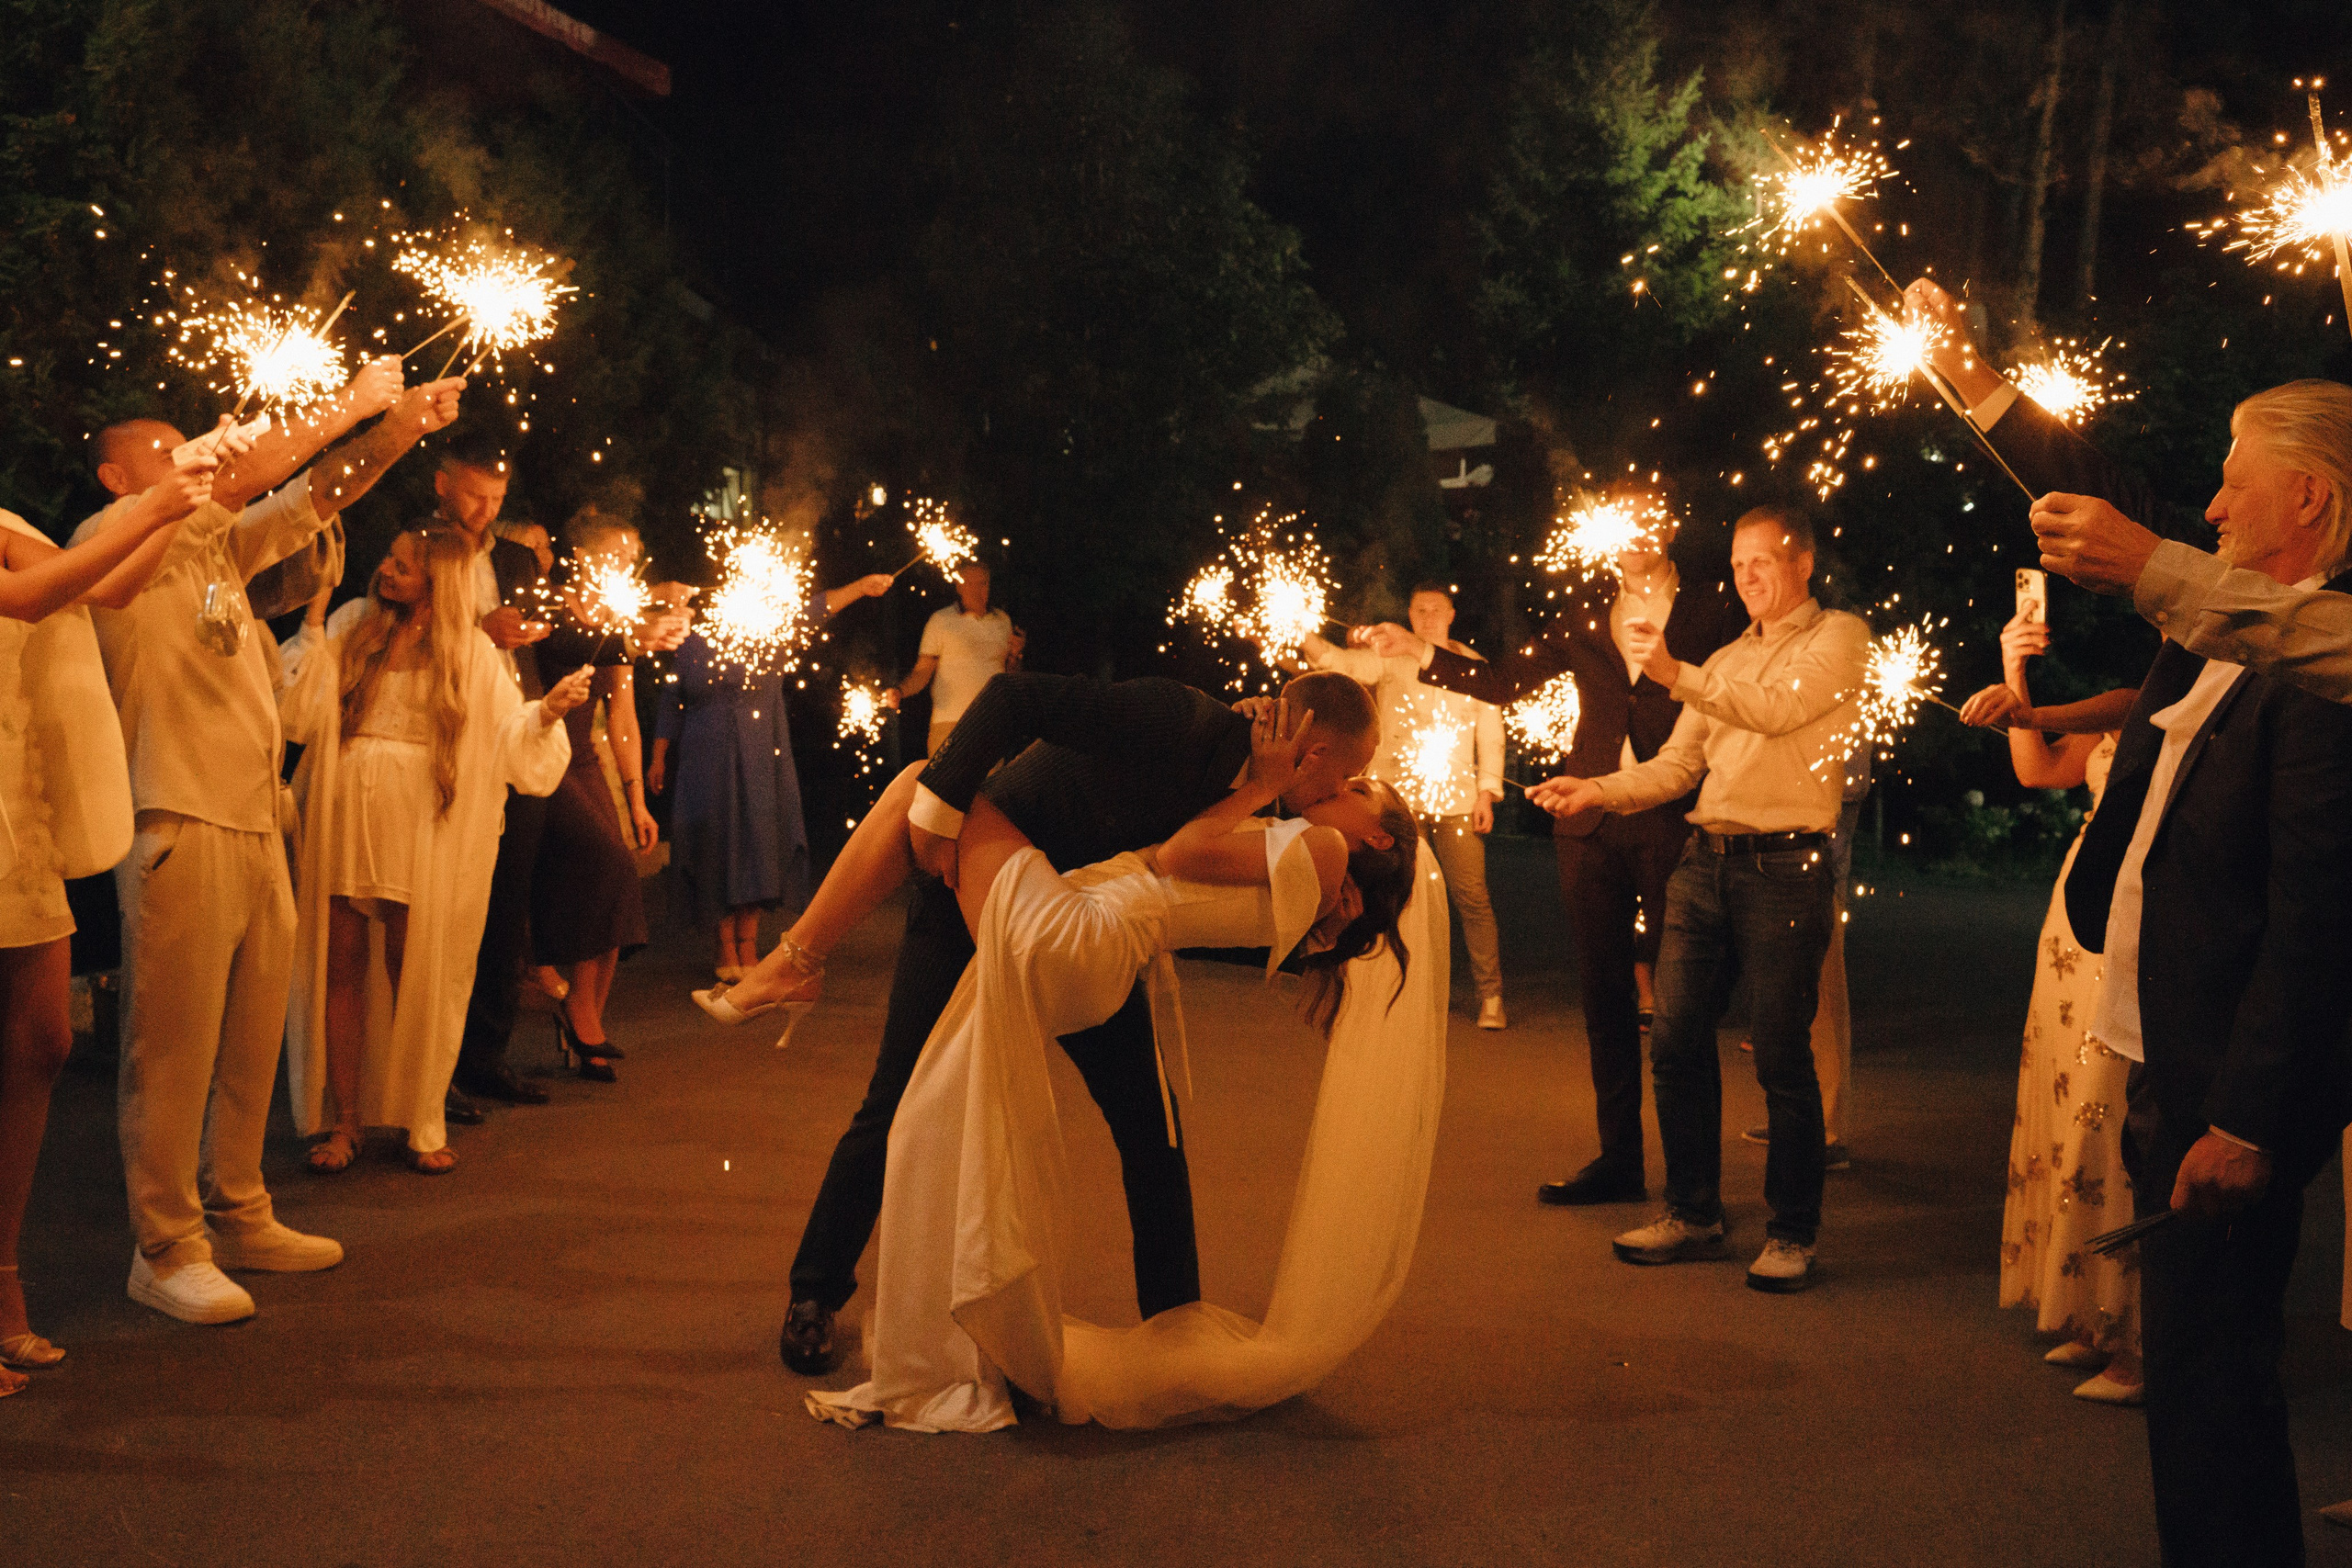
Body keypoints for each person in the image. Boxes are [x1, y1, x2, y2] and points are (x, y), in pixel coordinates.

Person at [707, 702, 1434, 1431]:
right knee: (895, 1103)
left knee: (1153, 1129)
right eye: (1350, 772)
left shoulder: (1285, 813)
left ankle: (1176, 1338)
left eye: (1360, 786)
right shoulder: (1195, 728)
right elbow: (1020, 697)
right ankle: (816, 1295)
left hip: (1078, 926)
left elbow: (1201, 871)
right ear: (1308, 743)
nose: (1349, 782)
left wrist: (1309, 889)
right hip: (1011, 897)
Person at [77, 360, 465, 1325]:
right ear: (118, 480)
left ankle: (239, 1208)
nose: (196, 460)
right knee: (171, 1052)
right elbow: (260, 477)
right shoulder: (109, 539)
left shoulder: (214, 552)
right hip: (178, 818)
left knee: (249, 1045)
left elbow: (309, 495)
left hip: (256, 820)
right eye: (167, 454)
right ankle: (164, 1247)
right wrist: (354, 403)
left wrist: (399, 431)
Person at [1530, 506, 1866, 1293]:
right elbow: (1679, 766)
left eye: (1765, 561)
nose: (1748, 576)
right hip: (1705, 860)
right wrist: (1599, 790)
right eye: (1740, 563)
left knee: (1782, 1051)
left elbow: (1779, 710)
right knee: (1675, 1038)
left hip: (1787, 865)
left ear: (1805, 561)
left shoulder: (1837, 639)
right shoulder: (1722, 656)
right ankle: (1693, 1211)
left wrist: (1675, 672)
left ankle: (1791, 1229)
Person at [1366, 515, 1740, 1204]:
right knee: (1603, 995)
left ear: (1669, 524)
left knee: (1683, 1006)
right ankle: (1619, 1160)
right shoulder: (1585, 613)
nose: (1634, 532)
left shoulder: (1715, 604)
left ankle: (1693, 1183)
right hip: (1588, 822)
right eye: (1621, 518)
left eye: (1647, 516)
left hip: (1674, 815)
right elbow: (1506, 681)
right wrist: (1420, 655)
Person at [0, 454, 228, 1396]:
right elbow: (23, 600)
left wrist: (184, 503)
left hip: (21, 810)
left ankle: (1, 1276)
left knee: (42, 1044)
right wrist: (160, 500)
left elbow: (107, 585)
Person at [277, 528, 590, 1175]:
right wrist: (313, 613)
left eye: (402, 564)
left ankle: (422, 1114)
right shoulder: (357, 626)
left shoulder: (470, 652)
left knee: (412, 967)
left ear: (435, 580)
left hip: (416, 818)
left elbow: (507, 729)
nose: (386, 570)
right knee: (341, 962)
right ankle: (345, 1120)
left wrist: (547, 715)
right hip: (346, 805)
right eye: (388, 558)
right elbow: (300, 711)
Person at [436, 447, 686, 1109]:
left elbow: (559, 642)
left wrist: (636, 634)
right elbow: (400, 628)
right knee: (456, 913)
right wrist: (477, 631)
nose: (486, 512)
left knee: (504, 909)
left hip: (524, 750)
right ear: (442, 486)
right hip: (450, 746)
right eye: (474, 496)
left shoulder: (514, 562)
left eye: (496, 498)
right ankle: (437, 1069)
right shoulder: (420, 549)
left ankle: (484, 1057)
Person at [1961, 615, 2145, 1404]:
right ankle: (2090, 1309)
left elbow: (2122, 703)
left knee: (2113, 1107)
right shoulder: (2117, 717)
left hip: (2137, 911)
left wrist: (2030, 707)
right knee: (2069, 1107)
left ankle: (2140, 1332)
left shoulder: (2161, 697)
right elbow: (2039, 771)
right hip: (2078, 921)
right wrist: (2017, 675)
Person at [650, 571, 895, 984]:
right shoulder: (692, 638)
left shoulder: (770, 632)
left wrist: (861, 587)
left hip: (762, 755)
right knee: (716, 845)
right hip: (706, 759)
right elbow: (673, 697)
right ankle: (724, 945)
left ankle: (748, 942)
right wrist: (658, 755)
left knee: (759, 844)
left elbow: (815, 609)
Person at [1295, 581, 1506, 1027]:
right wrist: (1299, 624)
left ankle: (1491, 995)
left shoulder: (1472, 666)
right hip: (1396, 801)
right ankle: (1403, 987)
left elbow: (1490, 730)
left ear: (1451, 614)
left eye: (1436, 609)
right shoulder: (1390, 656)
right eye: (1419, 609)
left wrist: (1487, 790)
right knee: (1396, 893)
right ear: (1409, 615)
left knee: (1471, 895)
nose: (1428, 617)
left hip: (1455, 799)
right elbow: (1339, 662)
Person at [529, 509, 663, 1084]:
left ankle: (588, 1023)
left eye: (631, 560)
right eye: (617, 556)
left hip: (586, 758)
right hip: (541, 753)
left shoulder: (615, 615)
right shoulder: (547, 605)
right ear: (583, 556)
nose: (626, 568)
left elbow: (623, 714)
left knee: (622, 877)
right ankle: (573, 1005)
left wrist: (636, 796)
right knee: (603, 864)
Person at [884, 558, 1023, 754]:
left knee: (991, 784)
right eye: (970, 583)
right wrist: (900, 691)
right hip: (949, 724)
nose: (978, 590)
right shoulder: (941, 620)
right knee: (943, 784)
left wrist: (1016, 655)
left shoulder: (1002, 620)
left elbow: (1010, 677)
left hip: (992, 723)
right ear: (959, 586)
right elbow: (923, 672)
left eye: (983, 583)